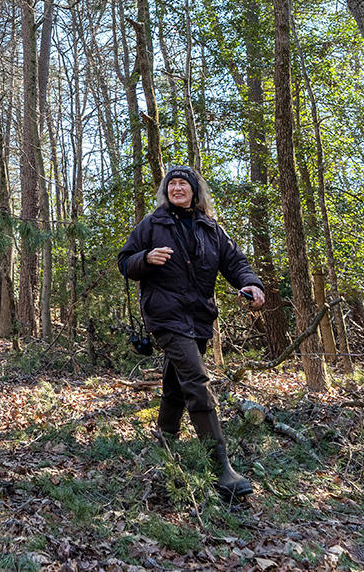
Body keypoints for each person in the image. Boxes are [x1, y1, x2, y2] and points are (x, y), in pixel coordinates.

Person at [117, 165, 266, 499]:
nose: (178, 187)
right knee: (197, 381)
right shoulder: (152, 224)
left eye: (184, 183)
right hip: (165, 314)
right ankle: (221, 468)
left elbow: (236, 263)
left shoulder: (210, 228)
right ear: (166, 192)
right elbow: (124, 262)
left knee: (175, 385)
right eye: (172, 184)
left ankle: (163, 446)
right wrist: (145, 257)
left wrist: (250, 284)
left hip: (199, 318)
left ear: (195, 191)